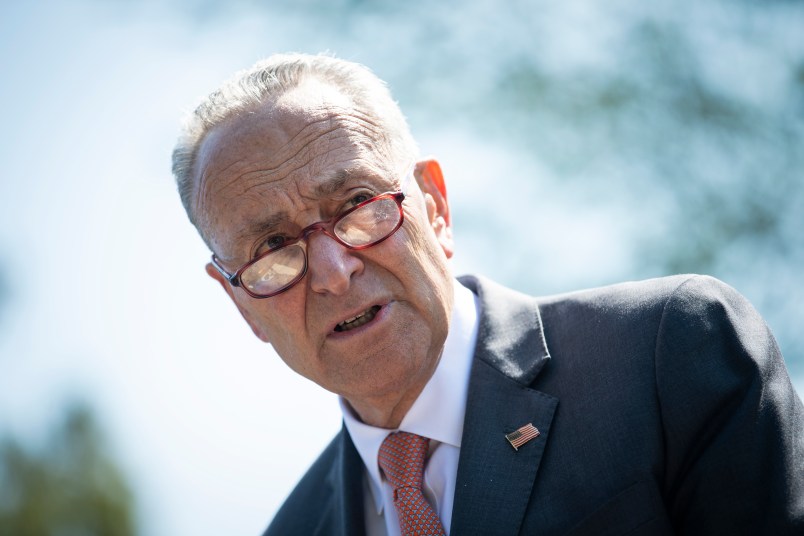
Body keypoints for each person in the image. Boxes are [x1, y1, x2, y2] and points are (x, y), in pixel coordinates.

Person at [172, 53, 804, 536]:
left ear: (435, 207)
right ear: (238, 301)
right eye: (274, 250)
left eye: (359, 206)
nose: (334, 271)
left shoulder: (670, 355)